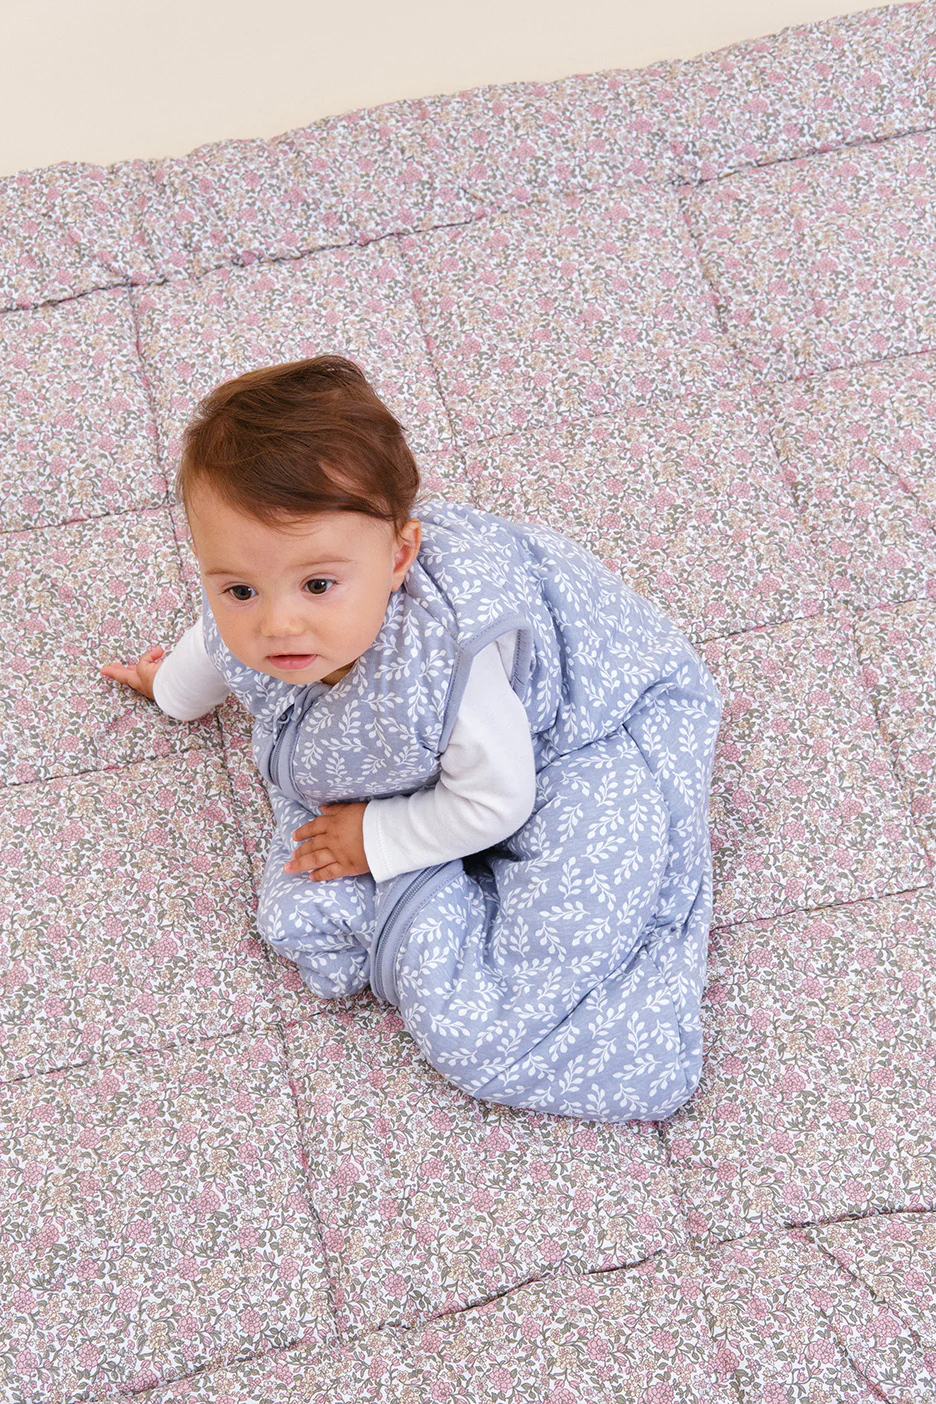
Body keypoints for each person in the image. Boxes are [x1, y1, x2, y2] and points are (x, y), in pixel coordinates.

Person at [102, 354, 724, 1123]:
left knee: (566, 931)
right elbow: (208, 651)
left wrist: (381, 837)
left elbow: (501, 795)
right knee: (298, 915)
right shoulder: (250, 619)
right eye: (238, 589)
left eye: (318, 585)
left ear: (397, 558)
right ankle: (422, 903)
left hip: (579, 731)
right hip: (450, 761)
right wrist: (166, 691)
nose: (277, 623)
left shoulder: (452, 669)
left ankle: (526, 983)